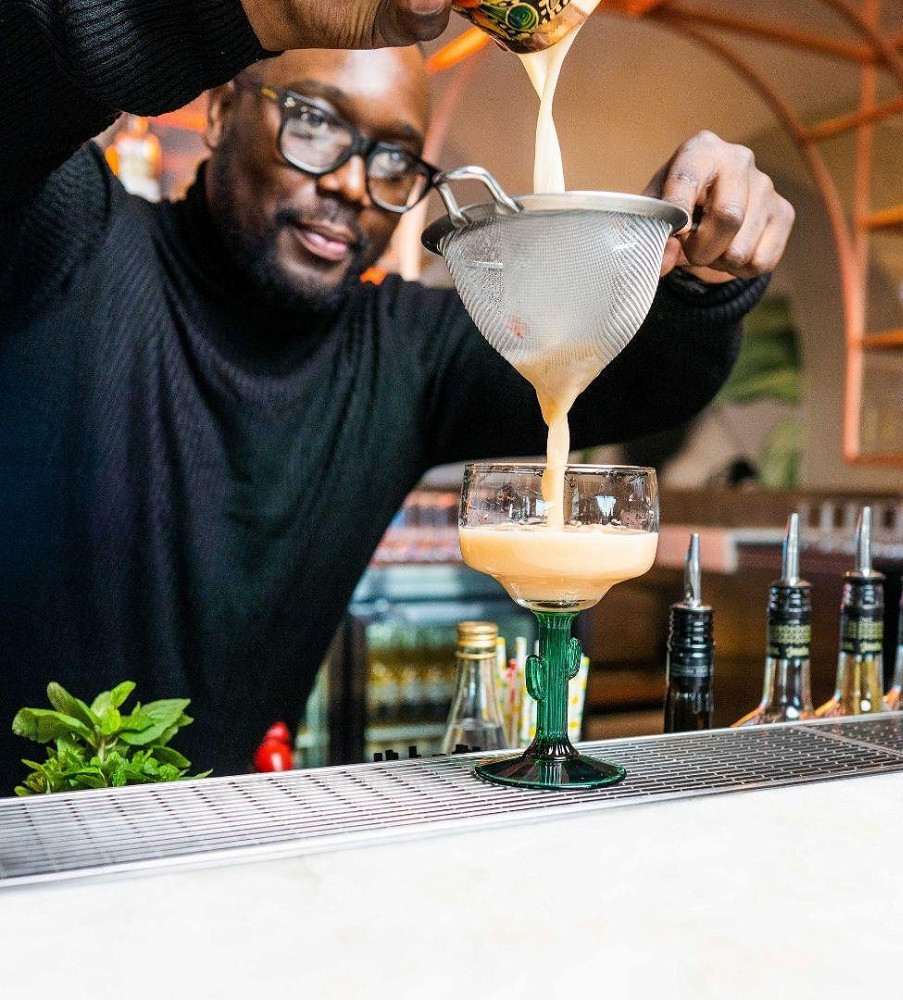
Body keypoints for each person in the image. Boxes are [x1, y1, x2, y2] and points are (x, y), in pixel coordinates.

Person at [0, 0, 794, 794]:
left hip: (232, 824)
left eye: (393, 160)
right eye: (314, 122)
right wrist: (244, 10)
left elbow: (650, 376)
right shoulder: (70, 241)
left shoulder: (400, 353)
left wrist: (701, 275)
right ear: (219, 112)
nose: (352, 183)